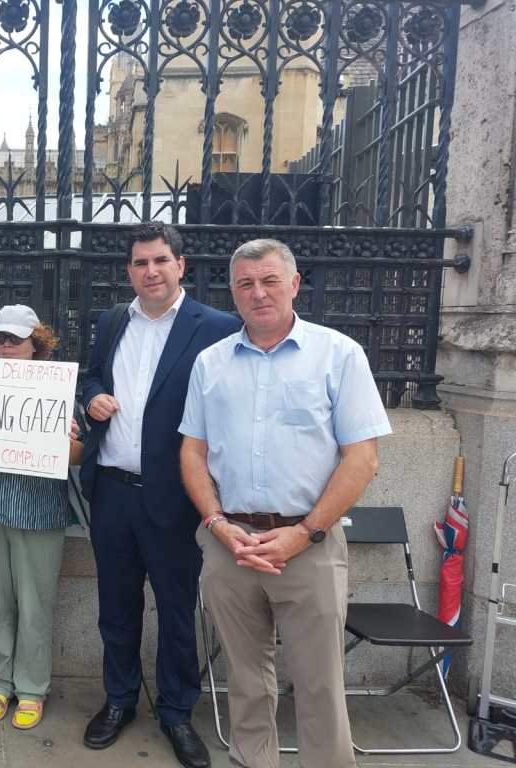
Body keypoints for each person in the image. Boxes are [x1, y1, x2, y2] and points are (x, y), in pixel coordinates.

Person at [179, 238, 391, 768]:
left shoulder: (338, 355)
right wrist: (216, 522)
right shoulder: (211, 363)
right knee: (246, 682)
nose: (259, 293)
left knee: (320, 685)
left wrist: (305, 534)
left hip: (309, 546)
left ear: (294, 284)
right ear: (233, 292)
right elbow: (193, 451)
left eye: (270, 280)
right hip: (232, 544)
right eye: (246, 283)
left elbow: (361, 459)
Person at [80, 222, 239, 768]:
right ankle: (119, 700)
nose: (151, 271)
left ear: (181, 266)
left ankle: (176, 713)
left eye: (160, 261)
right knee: (116, 610)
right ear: (129, 271)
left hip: (175, 498)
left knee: (175, 612)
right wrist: (95, 396)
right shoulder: (110, 321)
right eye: (141, 263)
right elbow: (91, 378)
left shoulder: (216, 327)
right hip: (111, 494)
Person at [0, 305, 84, 731]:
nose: (8, 346)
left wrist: (67, 441)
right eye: (0, 339)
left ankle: (31, 688)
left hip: (37, 509)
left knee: (35, 604)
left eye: (16, 339)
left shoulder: (61, 390)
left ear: (37, 343)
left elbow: (80, 455)